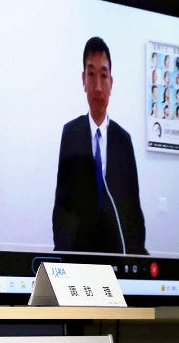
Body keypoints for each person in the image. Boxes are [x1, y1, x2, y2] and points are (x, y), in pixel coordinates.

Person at [53, 37, 147, 255]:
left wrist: (134, 262)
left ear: (111, 83)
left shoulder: (124, 140)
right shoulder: (70, 133)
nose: (97, 86)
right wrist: (64, 255)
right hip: (79, 252)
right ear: (83, 80)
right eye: (91, 74)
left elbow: (134, 211)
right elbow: (61, 208)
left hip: (116, 255)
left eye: (103, 76)